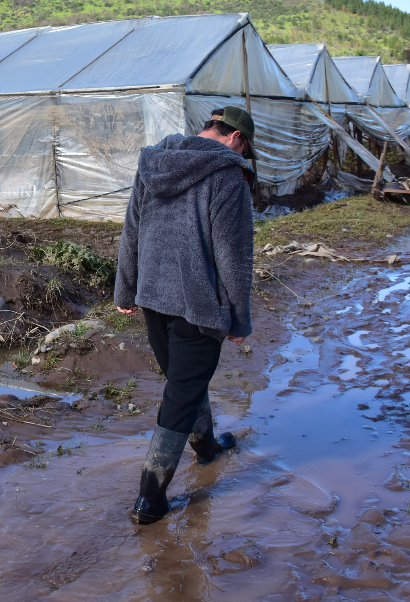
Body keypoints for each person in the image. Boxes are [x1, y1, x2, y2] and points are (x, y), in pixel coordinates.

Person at [114, 106, 255, 525]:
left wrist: (125, 288)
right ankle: (150, 499)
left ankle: (206, 447)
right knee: (180, 394)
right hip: (198, 304)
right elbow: (234, 256)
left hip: (153, 297)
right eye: (246, 148)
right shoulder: (227, 174)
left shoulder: (156, 160)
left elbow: (132, 228)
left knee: (184, 381)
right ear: (237, 138)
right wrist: (240, 318)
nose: (242, 155)